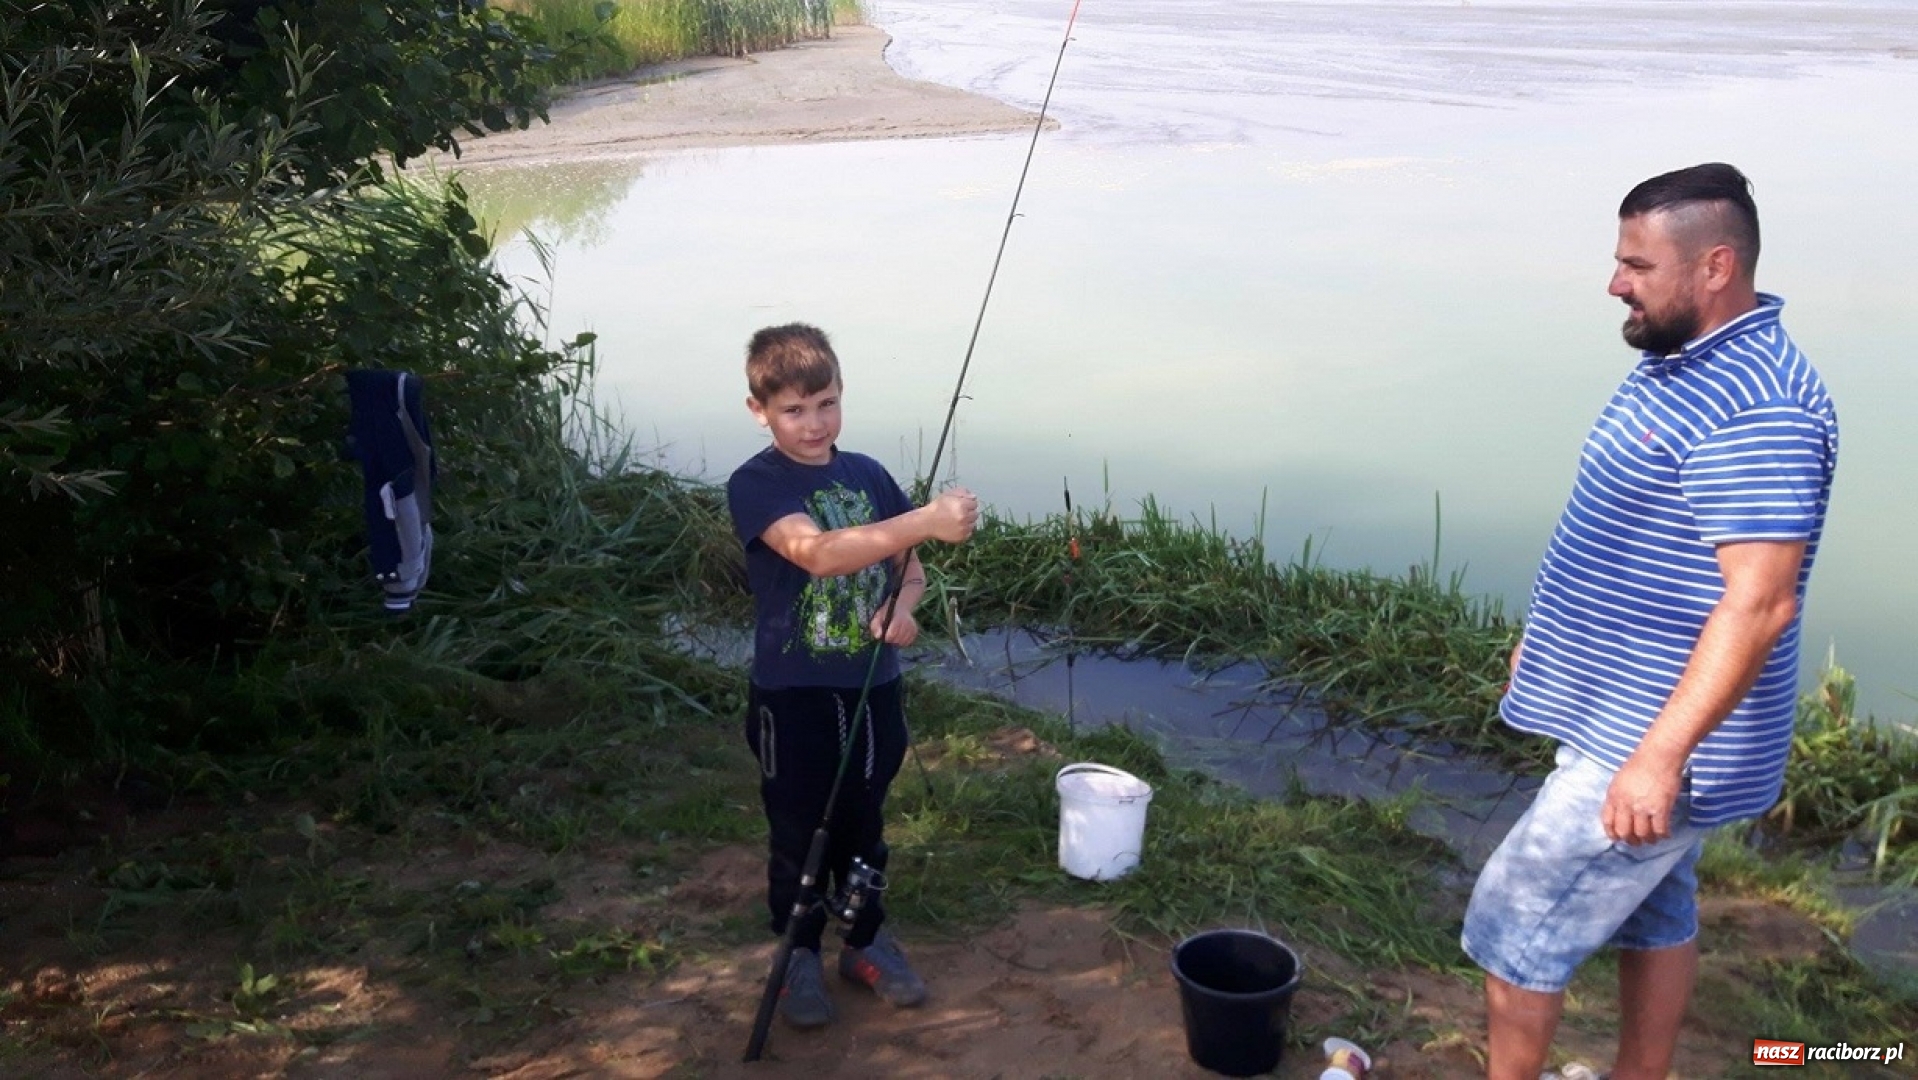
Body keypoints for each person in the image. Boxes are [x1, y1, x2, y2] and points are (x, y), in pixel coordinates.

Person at [1461, 163, 1839, 1079]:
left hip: (1654, 739)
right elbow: (1636, 532)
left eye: (1636, 264)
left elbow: (1760, 603)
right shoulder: (1685, 360)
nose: (1615, 282)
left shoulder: (1761, 406)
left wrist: (1660, 758)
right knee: (1657, 909)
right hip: (1624, 711)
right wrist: (1551, 642)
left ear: (1714, 267)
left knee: (1513, 930)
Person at [725, 322, 981, 1030]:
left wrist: (902, 609)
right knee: (799, 826)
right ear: (760, 412)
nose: (813, 424)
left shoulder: (868, 474)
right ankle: (799, 951)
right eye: (794, 410)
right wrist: (927, 518)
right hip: (791, 694)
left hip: (872, 689)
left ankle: (864, 940)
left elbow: (913, 573)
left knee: (864, 822)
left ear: (842, 396)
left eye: (826, 404)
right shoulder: (756, 483)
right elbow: (818, 553)